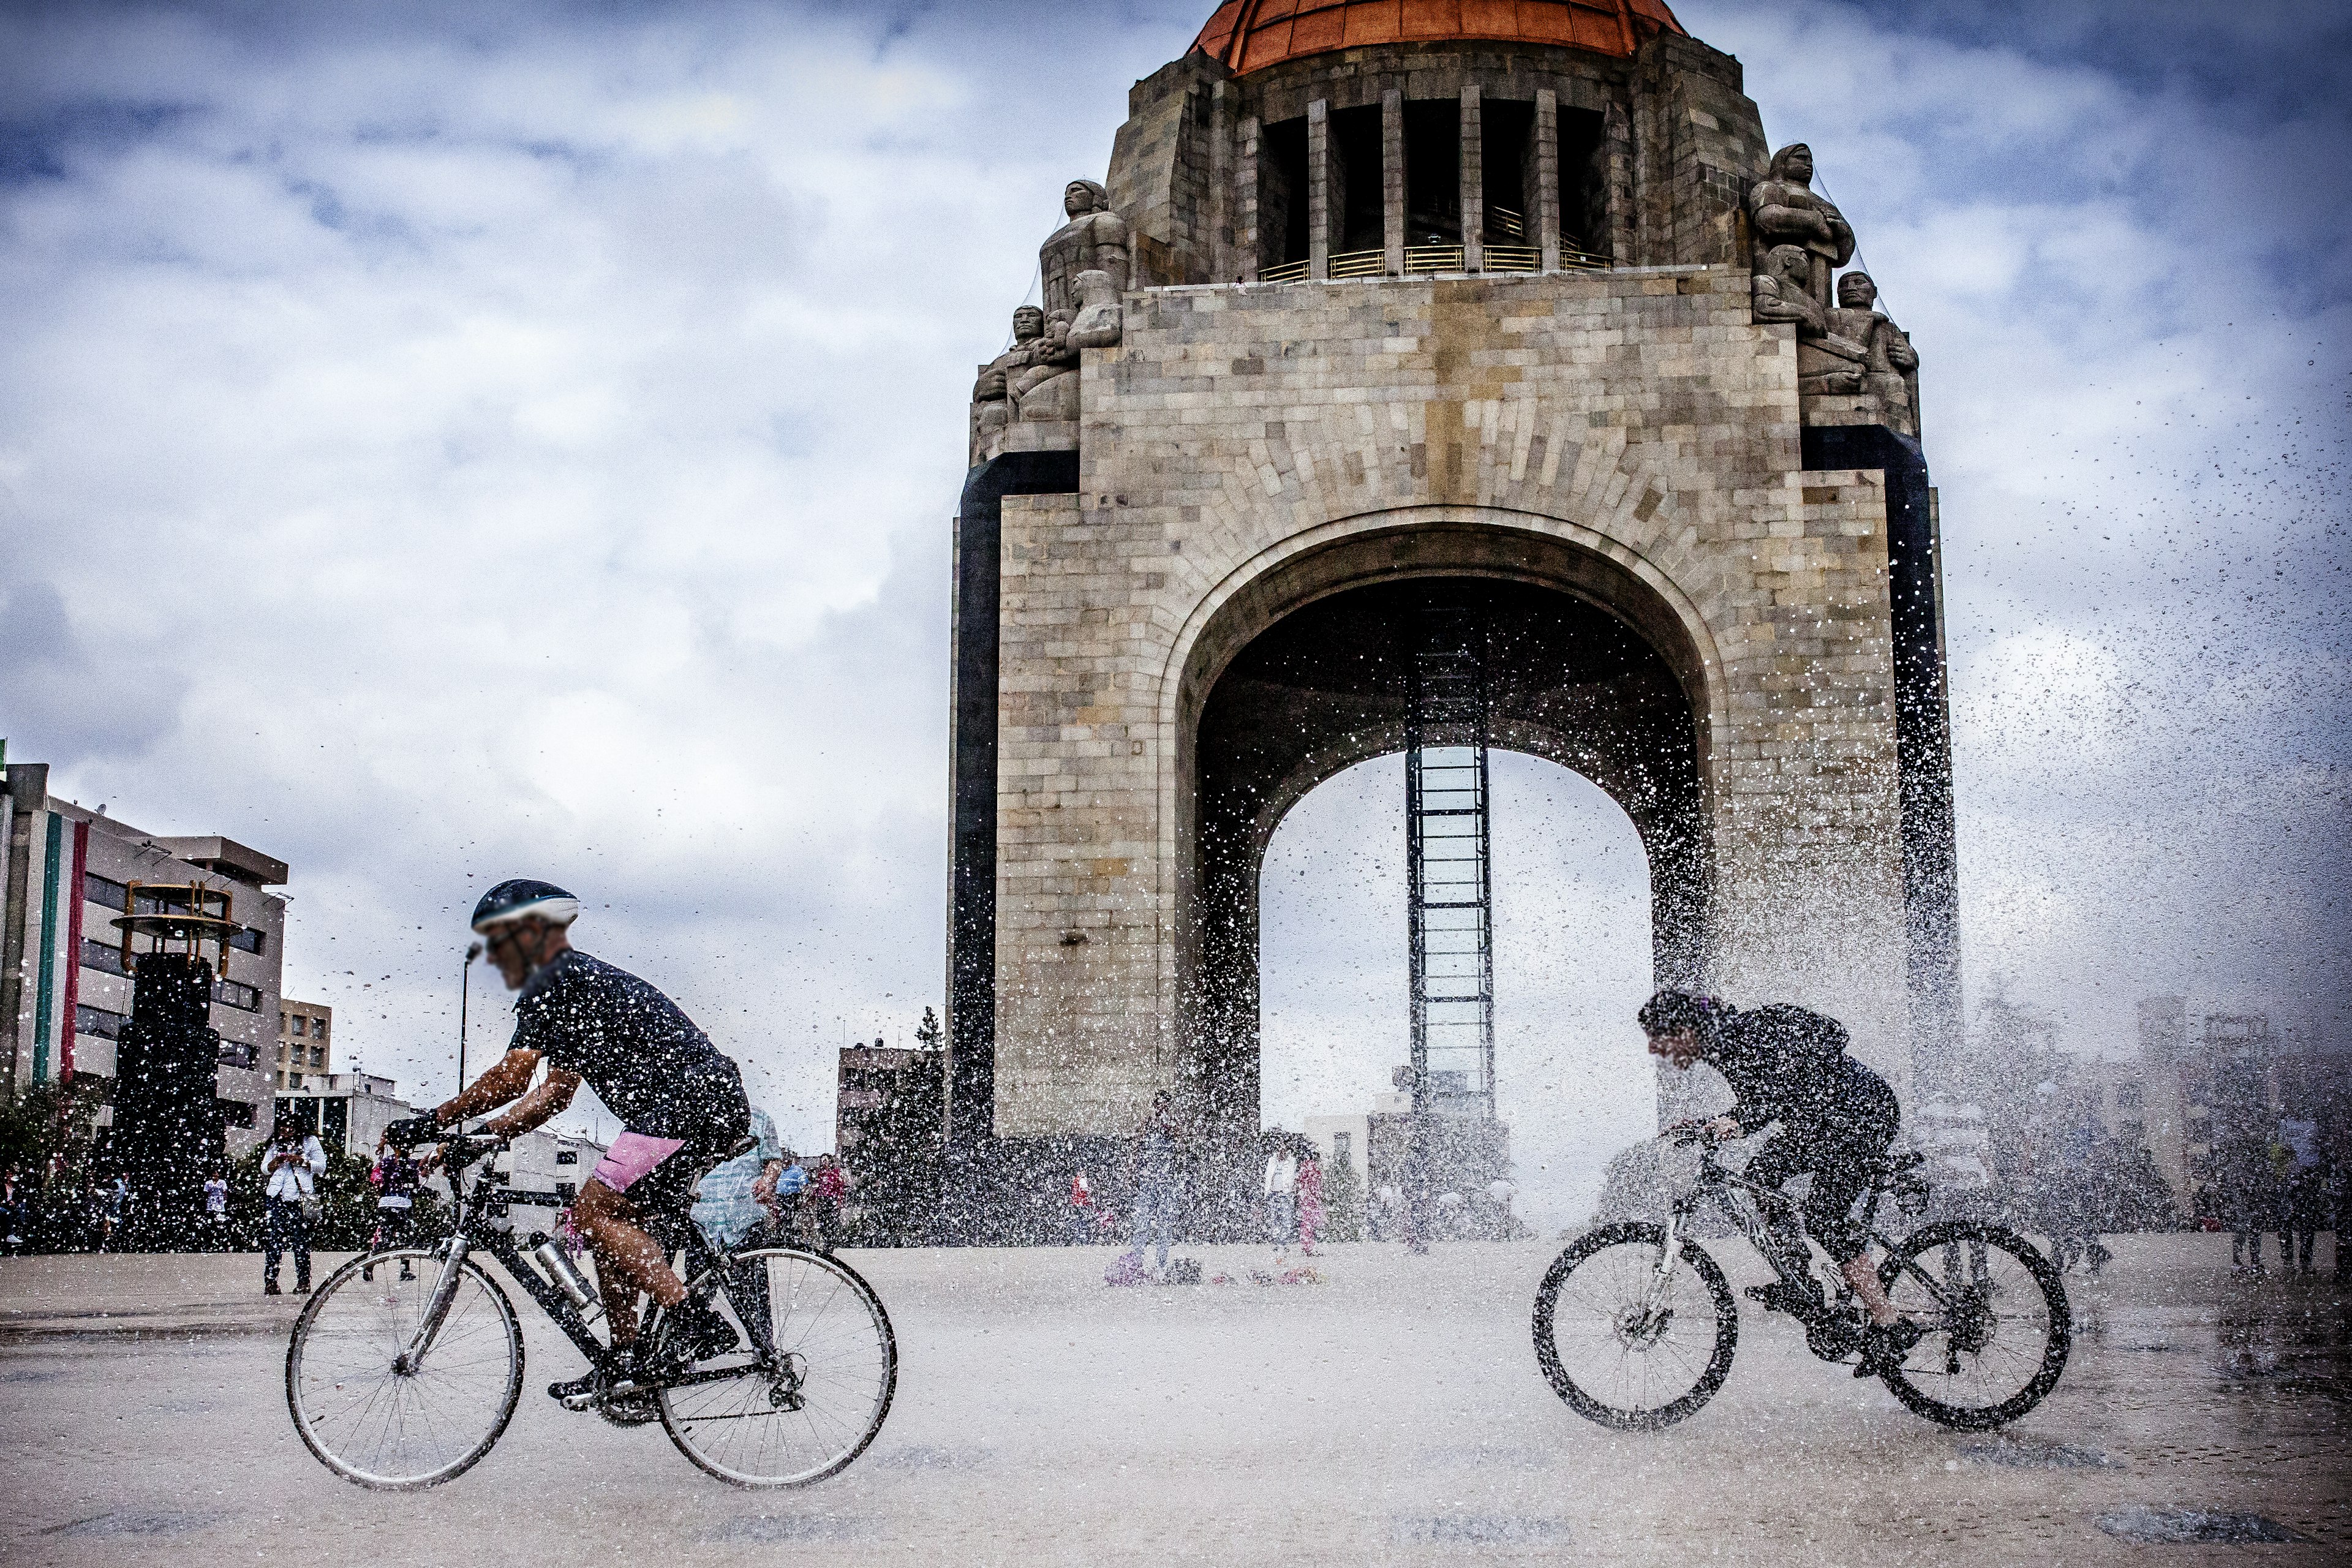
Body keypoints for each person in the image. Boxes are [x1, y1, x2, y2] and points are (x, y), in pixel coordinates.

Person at [388, 879, 752, 1403]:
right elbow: (553, 1096)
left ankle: (696, 1321)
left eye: (498, 937)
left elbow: (513, 1079)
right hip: (697, 1102)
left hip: (689, 1103)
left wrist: (431, 1121)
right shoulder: (571, 987)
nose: (492, 954)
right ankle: (624, 1364)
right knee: (612, 1224)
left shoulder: (555, 979)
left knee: (593, 1212)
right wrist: (480, 1136)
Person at [1638, 989, 1920, 1376]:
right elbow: (1762, 1103)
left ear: (1688, 1027)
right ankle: (1798, 1277)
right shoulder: (1728, 1053)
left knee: (1823, 1215)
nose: (1659, 1047)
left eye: (1662, 1035)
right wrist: (1713, 1124)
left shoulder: (1756, 1028)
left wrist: (1760, 1106)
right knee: (1762, 1176)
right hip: (1825, 1122)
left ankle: (1889, 1323)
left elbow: (1830, 1038)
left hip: (1860, 1114)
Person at [260, 1112, 326, 1294]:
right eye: (283, 1128)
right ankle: (271, 1282)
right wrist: (276, 1162)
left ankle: (304, 1281)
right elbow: (265, 1169)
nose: (287, 1131)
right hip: (276, 1196)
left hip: (299, 1198)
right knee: (274, 1241)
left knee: (300, 1241)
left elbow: (322, 1166)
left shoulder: (310, 1142)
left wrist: (300, 1161)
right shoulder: (275, 1143)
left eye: (291, 1128)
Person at [1128, 1091, 1183, 1278]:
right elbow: (1136, 1144)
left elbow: (1182, 1141)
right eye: (1159, 1104)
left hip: (1166, 1182)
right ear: (1155, 1105)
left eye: (1165, 1104)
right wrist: (1134, 1170)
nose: (1162, 1108)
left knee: (1164, 1226)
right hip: (1148, 1181)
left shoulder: (1172, 1122)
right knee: (1142, 1224)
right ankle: (1136, 1264)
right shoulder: (1147, 1122)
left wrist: (1170, 1127)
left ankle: (1160, 1265)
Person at [363, 1137, 424, 1283]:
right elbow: (414, 1184)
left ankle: (370, 1266)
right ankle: (405, 1271)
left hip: (385, 1204)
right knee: (406, 1239)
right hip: (404, 1204)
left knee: (385, 1238)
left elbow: (377, 1182)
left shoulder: (385, 1162)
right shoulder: (410, 1164)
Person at [2277, 1114, 2323, 1277]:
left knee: (2307, 1221)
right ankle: (2289, 1260)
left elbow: (2320, 1148)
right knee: (2288, 1220)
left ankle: (2304, 1261)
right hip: (2292, 1176)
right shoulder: (2284, 1123)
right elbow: (2280, 1149)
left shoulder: (2315, 1122)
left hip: (2309, 1174)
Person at [1262, 1139, 1298, 1253]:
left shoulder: (1292, 1162)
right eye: (1279, 1149)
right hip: (1273, 1193)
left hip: (1286, 1194)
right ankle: (1277, 1242)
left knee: (1286, 1219)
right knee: (1274, 1219)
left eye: (1283, 1150)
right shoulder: (1272, 1161)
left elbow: (1294, 1176)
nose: (1281, 1152)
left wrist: (1293, 1188)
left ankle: (1283, 1242)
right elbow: (1268, 1177)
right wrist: (1266, 1191)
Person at [809, 1154, 850, 1253]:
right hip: (822, 1200)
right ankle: (826, 1239)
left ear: (830, 1162)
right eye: (822, 1161)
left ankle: (829, 1244)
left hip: (832, 1200)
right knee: (821, 1222)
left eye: (826, 1161)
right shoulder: (821, 1174)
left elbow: (840, 1187)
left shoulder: (836, 1174)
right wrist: (813, 1197)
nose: (824, 1163)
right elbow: (817, 1187)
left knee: (831, 1223)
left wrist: (840, 1200)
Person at [1295, 1146, 1324, 1256]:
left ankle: (1307, 1246)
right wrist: (1316, 1195)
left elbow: (1301, 1182)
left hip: (1306, 1199)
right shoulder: (1312, 1167)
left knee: (1306, 1223)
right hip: (1311, 1199)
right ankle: (1309, 1247)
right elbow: (1314, 1184)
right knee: (1310, 1223)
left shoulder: (1304, 1167)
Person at [202, 1170, 229, 1248]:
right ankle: (211, 1235)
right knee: (211, 1217)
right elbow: (206, 1193)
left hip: (220, 1201)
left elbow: (225, 1191)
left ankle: (220, 1235)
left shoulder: (222, 1182)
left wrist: (225, 1200)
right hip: (211, 1201)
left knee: (220, 1218)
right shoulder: (208, 1183)